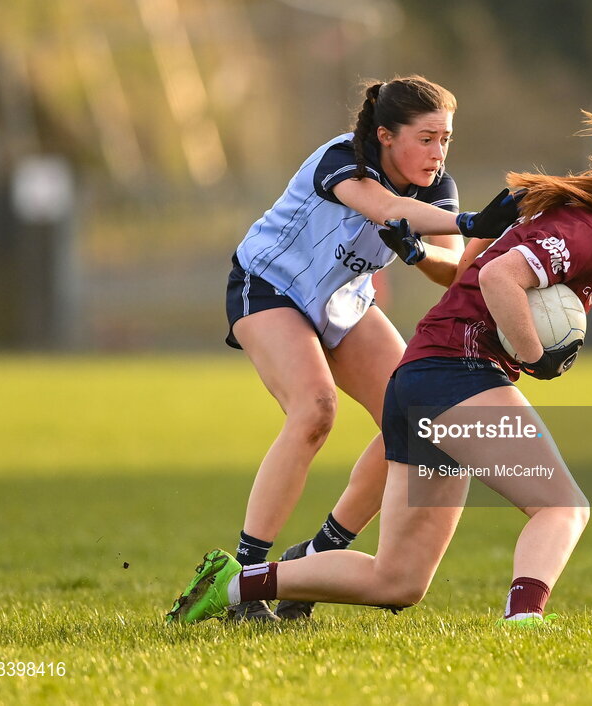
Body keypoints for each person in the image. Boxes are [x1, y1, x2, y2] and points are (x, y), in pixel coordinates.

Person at [168, 92, 592, 627]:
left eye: (446, 139)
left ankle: (239, 582)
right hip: (422, 360)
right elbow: (495, 272)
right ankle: (522, 622)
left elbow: (464, 268)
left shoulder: (578, 237)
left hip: (420, 367)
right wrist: (534, 352)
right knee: (561, 507)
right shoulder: (586, 234)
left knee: (398, 582)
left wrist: (438, 248)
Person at [220, 75, 521, 621]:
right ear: (385, 135)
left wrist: (418, 254)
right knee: (315, 410)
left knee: (416, 417)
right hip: (268, 286)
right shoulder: (344, 158)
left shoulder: (436, 186)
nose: (437, 152)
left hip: (343, 302)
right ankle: (244, 576)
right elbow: (383, 207)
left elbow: (453, 269)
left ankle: (313, 559)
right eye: (426, 138)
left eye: (446, 139)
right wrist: (470, 222)